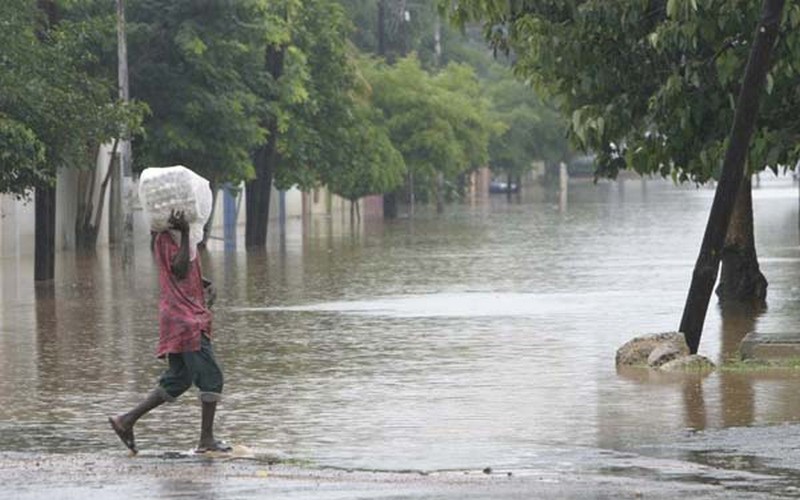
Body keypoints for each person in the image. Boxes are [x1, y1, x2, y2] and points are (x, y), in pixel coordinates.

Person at [109, 210, 230, 454]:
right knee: (212, 376)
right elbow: (179, 269)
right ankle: (206, 440)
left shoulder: (177, 240)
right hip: (186, 321)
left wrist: (205, 283)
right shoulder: (165, 238)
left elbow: (182, 272)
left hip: (180, 318)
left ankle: (126, 420)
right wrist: (185, 233)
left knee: (180, 378)